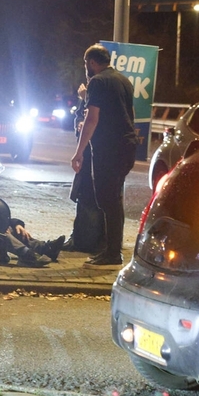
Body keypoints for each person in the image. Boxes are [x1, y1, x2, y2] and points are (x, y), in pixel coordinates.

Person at [70, 44, 137, 266]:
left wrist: (79, 152)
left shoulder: (97, 82)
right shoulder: (124, 81)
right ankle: (112, 249)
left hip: (109, 148)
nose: (85, 68)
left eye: (85, 64)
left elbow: (92, 119)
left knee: (107, 199)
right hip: (127, 146)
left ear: (91, 62)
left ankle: (112, 253)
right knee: (114, 199)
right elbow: (129, 113)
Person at [62, 81, 105, 253]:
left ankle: (92, 241)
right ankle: (79, 238)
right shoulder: (89, 90)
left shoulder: (103, 88)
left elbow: (103, 117)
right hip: (88, 153)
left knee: (94, 198)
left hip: (101, 154)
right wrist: (80, 124)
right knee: (83, 195)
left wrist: (87, 97)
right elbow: (80, 116)